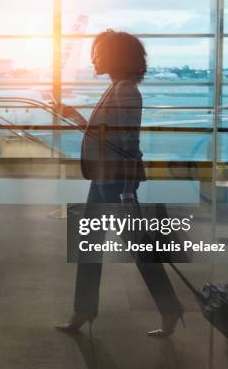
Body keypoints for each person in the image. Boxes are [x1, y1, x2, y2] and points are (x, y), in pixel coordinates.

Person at [55, 30, 185, 337]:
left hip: (115, 184)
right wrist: (74, 117)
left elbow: (130, 144)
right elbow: (107, 135)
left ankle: (169, 308)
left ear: (116, 56)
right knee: (90, 245)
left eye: (99, 52)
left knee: (139, 249)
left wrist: (127, 192)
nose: (94, 58)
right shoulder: (116, 87)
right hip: (104, 178)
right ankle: (84, 309)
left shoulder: (125, 90)